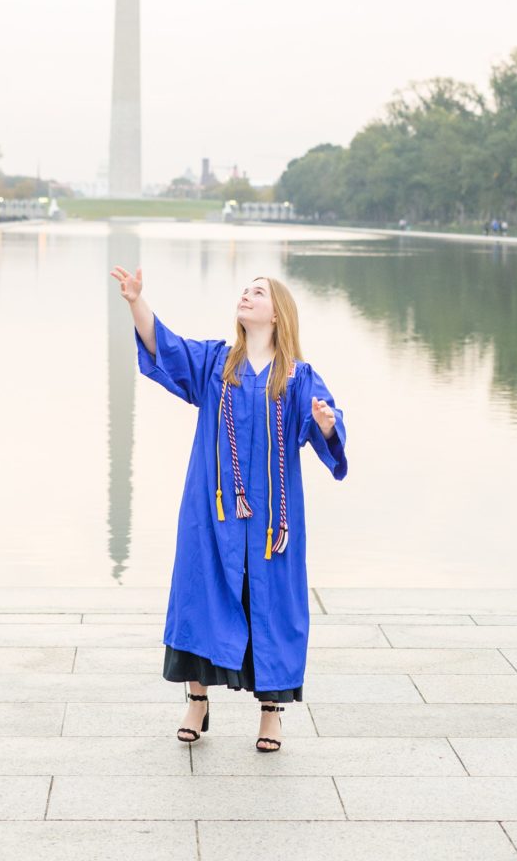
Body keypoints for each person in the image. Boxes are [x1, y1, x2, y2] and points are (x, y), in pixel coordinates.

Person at [111, 264, 347, 754]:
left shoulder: (298, 378)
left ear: (278, 314)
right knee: (201, 596)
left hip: (270, 525)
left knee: (271, 606)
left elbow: (325, 425)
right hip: (213, 511)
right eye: (244, 290)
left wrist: (325, 424)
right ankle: (196, 701)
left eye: (258, 292)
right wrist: (136, 301)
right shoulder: (216, 363)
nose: (246, 295)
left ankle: (271, 715)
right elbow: (166, 348)